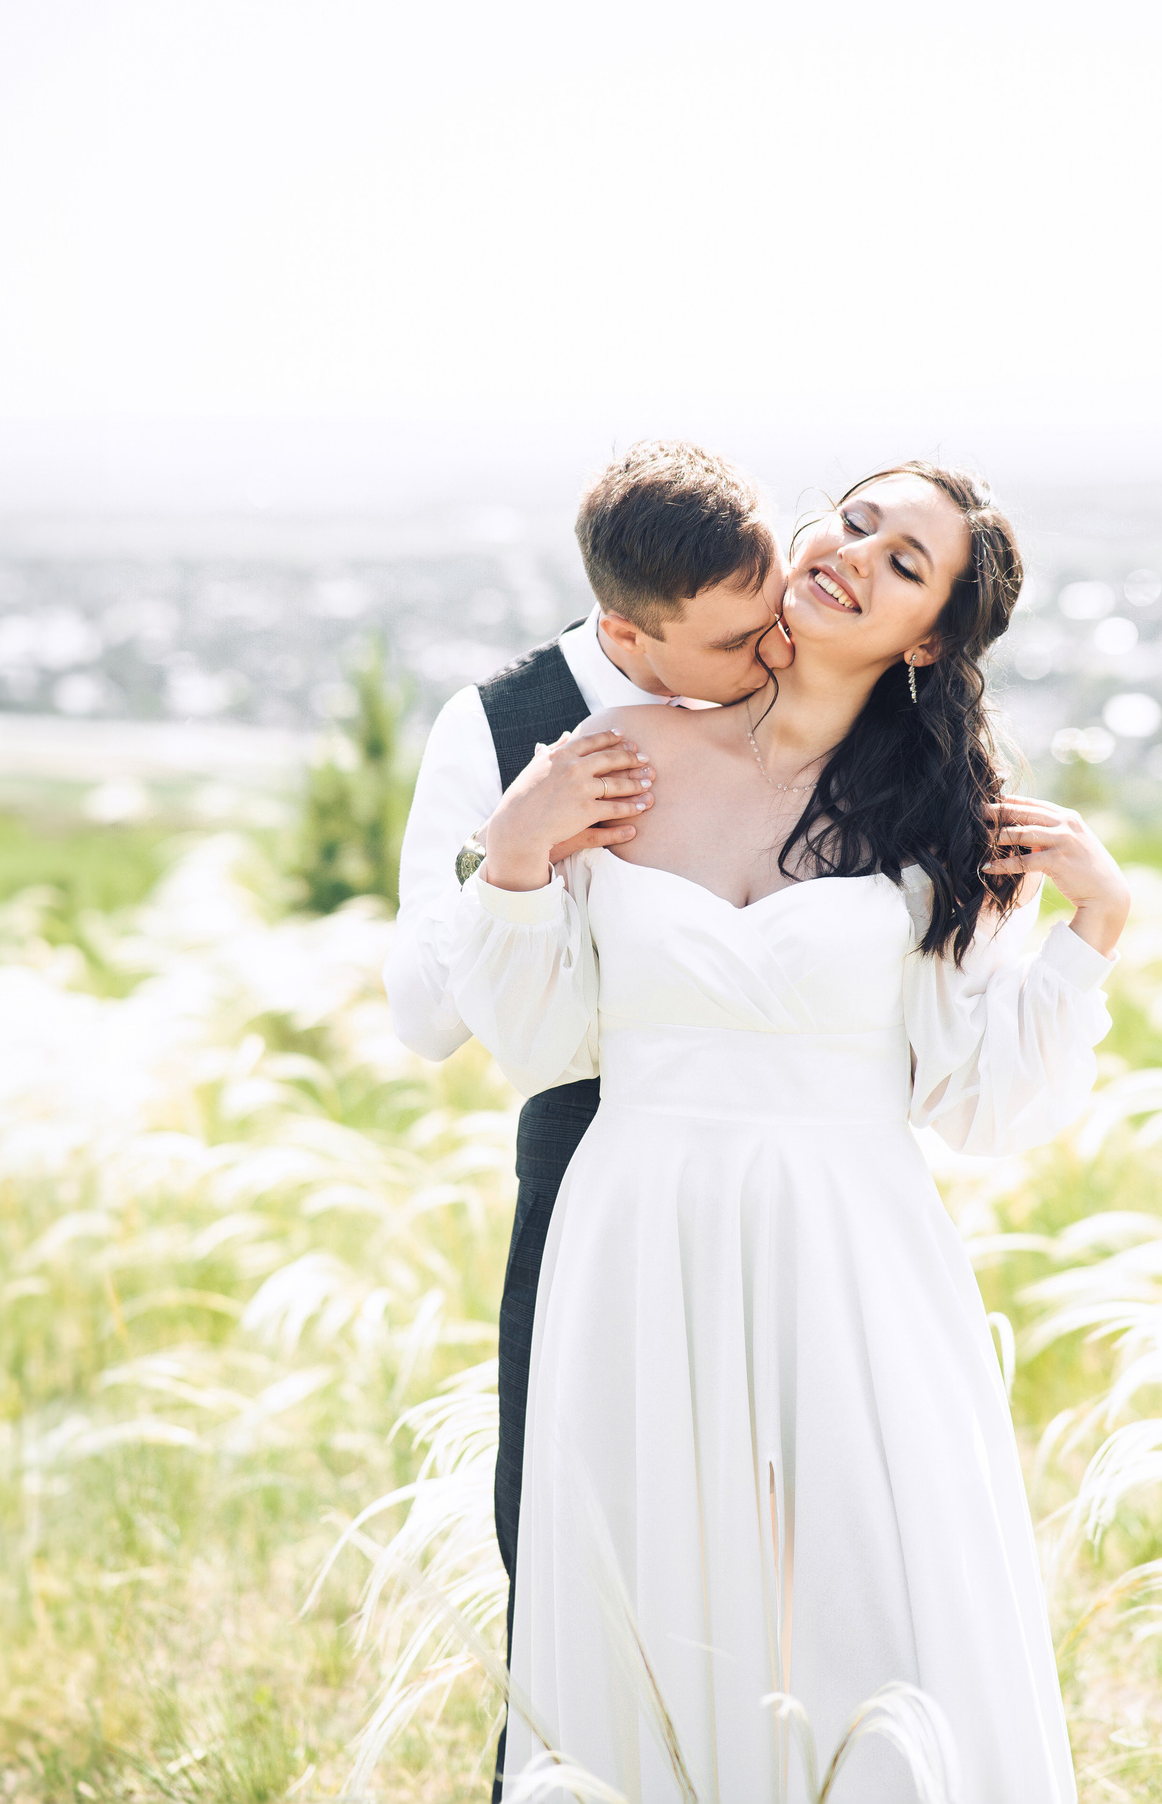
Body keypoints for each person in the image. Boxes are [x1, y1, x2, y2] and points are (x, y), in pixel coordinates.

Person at [449, 462, 1128, 1802]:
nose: (856, 555)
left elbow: (981, 1099)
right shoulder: (620, 756)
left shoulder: (944, 815)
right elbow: (539, 1043)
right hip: (637, 1232)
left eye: (905, 563)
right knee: (649, 1596)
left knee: (865, 1610)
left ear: (928, 635)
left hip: (848, 1255)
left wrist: (1091, 933)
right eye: (855, 520)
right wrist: (517, 853)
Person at [381, 439, 792, 1791]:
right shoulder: (497, 725)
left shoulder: (802, 688)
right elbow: (426, 1020)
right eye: (739, 638)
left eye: (776, 606)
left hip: (780, 1165)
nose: (775, 648)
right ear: (628, 631)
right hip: (587, 1168)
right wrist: (516, 838)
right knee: (572, 1541)